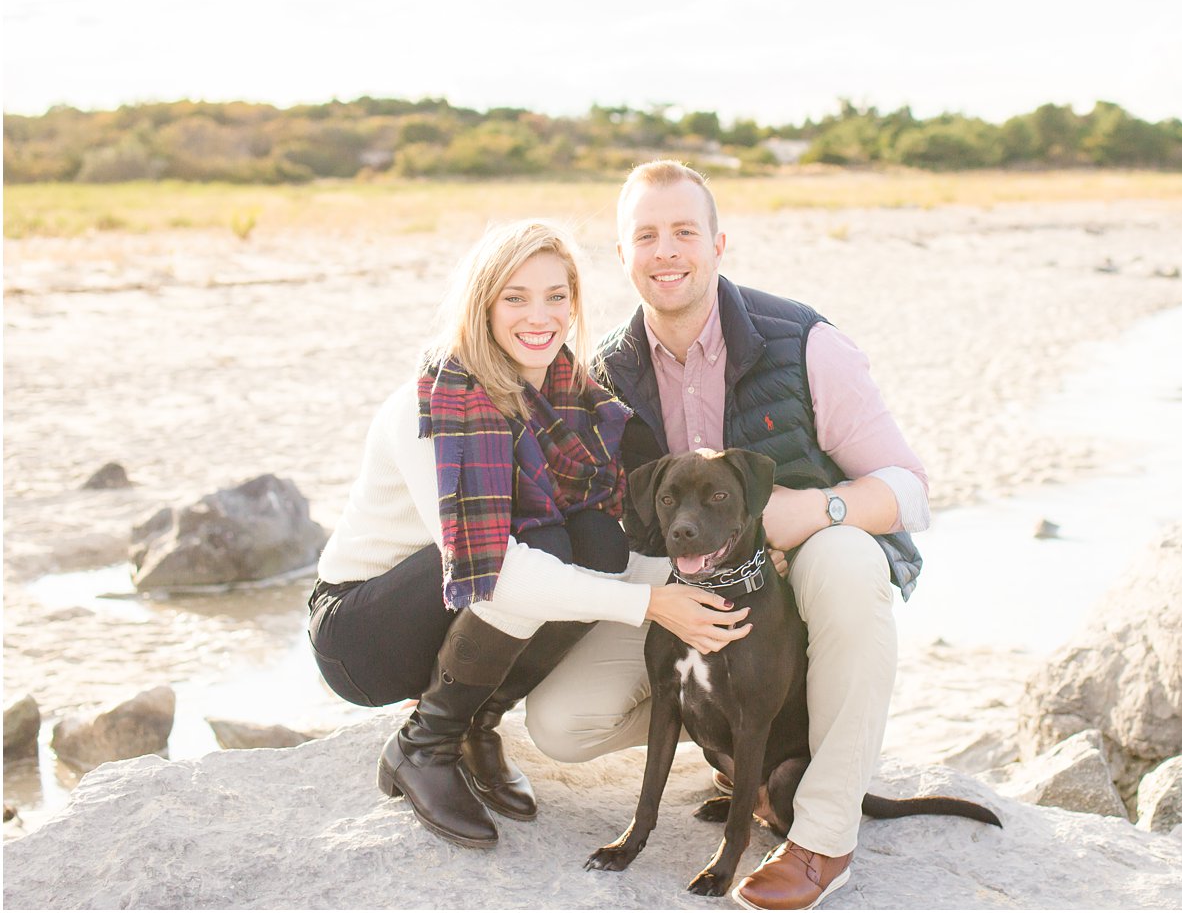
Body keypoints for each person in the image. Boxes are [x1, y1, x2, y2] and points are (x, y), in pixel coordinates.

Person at [522, 162, 929, 909]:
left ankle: (823, 836)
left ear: (718, 243)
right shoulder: (604, 375)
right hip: (690, 584)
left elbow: (908, 488)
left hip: (802, 585)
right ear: (623, 255)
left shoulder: (803, 341)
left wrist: (814, 512)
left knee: (844, 560)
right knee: (561, 723)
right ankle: (739, 743)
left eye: (684, 231)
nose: (666, 250)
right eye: (646, 235)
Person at [308, 218, 751, 849]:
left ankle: (476, 721)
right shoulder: (435, 403)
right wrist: (652, 604)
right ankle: (423, 746)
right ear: (482, 304)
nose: (538, 315)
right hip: (361, 630)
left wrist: (718, 581)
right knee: (538, 552)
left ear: (574, 303)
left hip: (456, 602)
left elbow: (616, 551)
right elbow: (497, 575)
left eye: (555, 296)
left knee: (595, 541)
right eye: (514, 297)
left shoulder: (574, 399)